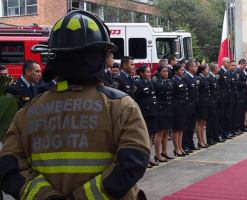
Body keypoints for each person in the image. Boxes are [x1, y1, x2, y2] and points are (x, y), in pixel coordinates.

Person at [0, 10, 150, 200]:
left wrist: (48, 197)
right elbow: (133, 163)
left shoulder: (27, 113)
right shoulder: (122, 107)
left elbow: (9, 168)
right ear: (100, 58)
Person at [134, 65, 159, 168]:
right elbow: (135, 99)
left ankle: (149, 157)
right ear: (141, 73)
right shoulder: (138, 84)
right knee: (145, 137)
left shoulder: (150, 83)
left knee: (151, 136)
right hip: (145, 113)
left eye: (150, 72)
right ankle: (144, 158)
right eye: (147, 72)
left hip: (152, 112)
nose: (149, 74)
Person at [153, 65, 174, 162]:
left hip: (169, 108)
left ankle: (164, 151)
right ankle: (157, 154)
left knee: (167, 131)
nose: (166, 73)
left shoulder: (169, 82)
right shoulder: (156, 83)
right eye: (163, 71)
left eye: (166, 71)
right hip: (161, 109)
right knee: (160, 132)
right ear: (159, 73)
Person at [182, 60, 200, 153]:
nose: (196, 68)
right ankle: (185, 145)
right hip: (188, 105)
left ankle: (191, 143)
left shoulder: (194, 77)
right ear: (190, 68)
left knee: (192, 126)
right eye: (195, 66)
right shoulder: (185, 78)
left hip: (194, 105)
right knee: (186, 126)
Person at [171, 63, 188, 156]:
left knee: (181, 129)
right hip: (177, 107)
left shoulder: (182, 80)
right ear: (176, 71)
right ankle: (176, 148)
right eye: (181, 70)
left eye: (183, 70)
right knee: (176, 129)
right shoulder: (174, 81)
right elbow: (172, 95)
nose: (183, 71)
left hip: (183, 106)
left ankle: (180, 147)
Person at [206, 62, 224, 145]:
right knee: (211, 122)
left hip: (216, 102)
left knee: (216, 120)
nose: (218, 69)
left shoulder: (214, 77)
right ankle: (209, 138)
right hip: (211, 102)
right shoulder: (209, 78)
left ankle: (215, 136)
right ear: (214, 69)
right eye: (217, 68)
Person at [217, 57, 234, 139]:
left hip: (228, 97)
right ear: (223, 62)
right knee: (221, 116)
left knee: (227, 116)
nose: (229, 64)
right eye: (227, 62)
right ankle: (220, 133)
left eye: (229, 62)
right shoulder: (219, 72)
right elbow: (218, 85)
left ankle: (226, 132)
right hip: (222, 98)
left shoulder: (228, 72)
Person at [235, 59, 247, 132]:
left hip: (243, 95)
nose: (245, 67)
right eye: (244, 65)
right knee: (239, 113)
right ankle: (238, 127)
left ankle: (242, 126)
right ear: (241, 64)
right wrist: (246, 83)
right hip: (240, 94)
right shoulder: (237, 72)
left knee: (242, 112)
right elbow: (238, 83)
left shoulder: (242, 72)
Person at [195, 64, 209, 148]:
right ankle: (200, 141)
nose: (208, 71)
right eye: (207, 69)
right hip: (201, 103)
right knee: (199, 123)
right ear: (202, 71)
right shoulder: (199, 79)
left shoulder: (204, 78)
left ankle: (203, 140)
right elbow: (197, 92)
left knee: (203, 122)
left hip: (205, 102)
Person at [227, 60, 240, 136]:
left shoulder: (235, 74)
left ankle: (234, 129)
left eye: (235, 65)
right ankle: (229, 131)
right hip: (230, 97)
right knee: (229, 116)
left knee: (235, 114)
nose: (234, 67)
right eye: (232, 65)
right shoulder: (228, 74)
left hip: (235, 96)